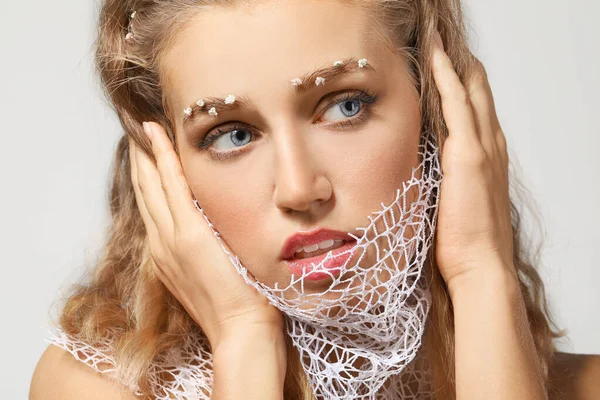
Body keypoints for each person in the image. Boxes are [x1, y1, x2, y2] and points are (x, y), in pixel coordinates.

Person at [30, 0, 599, 399]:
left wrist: (481, 270)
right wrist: (244, 342)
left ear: (438, 111)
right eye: (232, 134)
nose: (300, 189)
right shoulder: (92, 390)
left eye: (345, 105)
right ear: (165, 166)